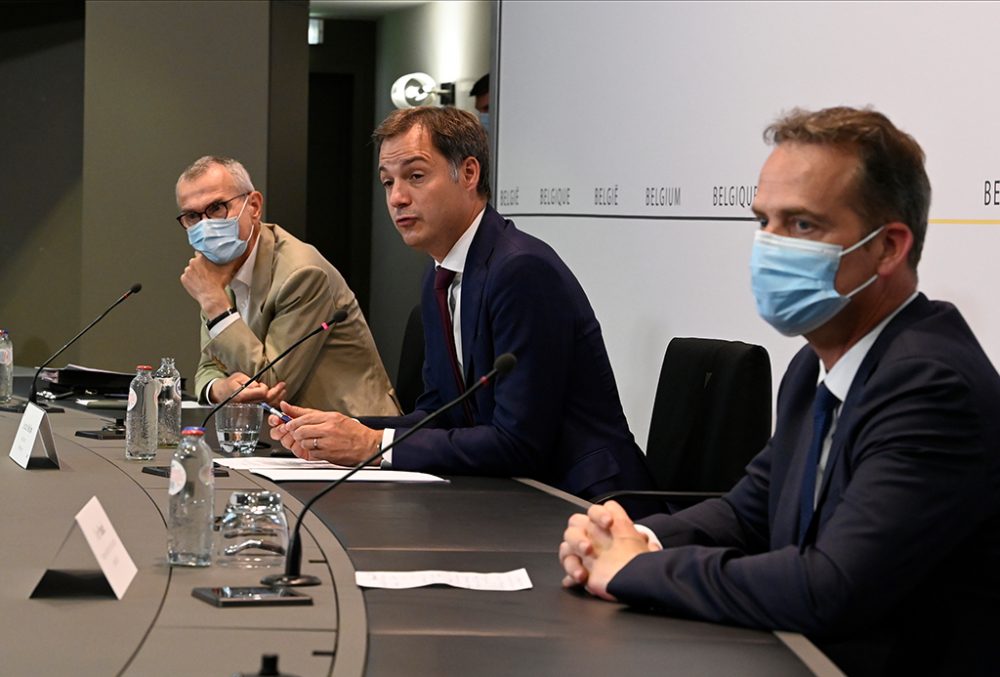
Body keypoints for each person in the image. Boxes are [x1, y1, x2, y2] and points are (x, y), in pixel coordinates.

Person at [559, 107, 1000, 675]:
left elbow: (829, 587)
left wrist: (632, 569)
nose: (769, 245)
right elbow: (750, 513)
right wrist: (632, 536)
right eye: (763, 220)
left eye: (802, 226)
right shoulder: (810, 367)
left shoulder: (933, 385)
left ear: (888, 247)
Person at [268, 107, 653, 503]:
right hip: (514, 496)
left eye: (415, 176)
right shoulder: (442, 275)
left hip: (587, 501)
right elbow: (440, 414)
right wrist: (339, 430)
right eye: (387, 182)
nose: (397, 198)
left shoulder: (521, 270)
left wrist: (371, 444)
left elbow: (519, 442)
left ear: (469, 174)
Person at [176, 155, 400, 416]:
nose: (206, 225)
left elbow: (269, 383)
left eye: (217, 208)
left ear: (255, 206)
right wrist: (219, 388)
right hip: (284, 437)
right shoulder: (216, 270)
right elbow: (209, 366)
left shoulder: (302, 273)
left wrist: (214, 303)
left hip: (357, 436)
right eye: (192, 216)